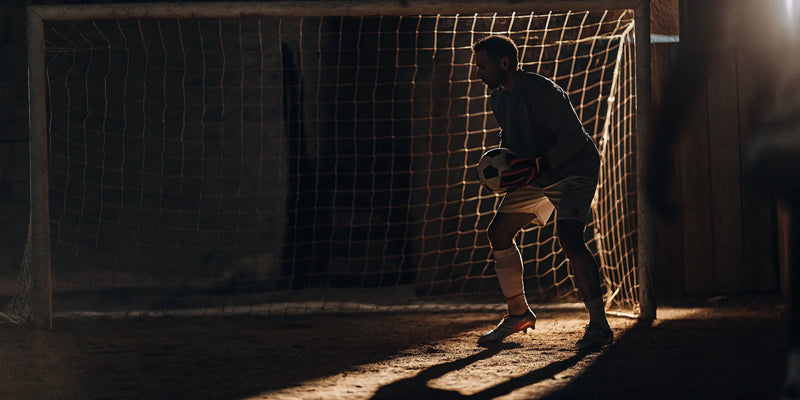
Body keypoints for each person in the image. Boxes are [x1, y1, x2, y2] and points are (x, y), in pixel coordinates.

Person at [471, 35, 612, 349]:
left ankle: (599, 326)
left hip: (573, 169)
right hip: (538, 171)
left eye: (483, 66)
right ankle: (518, 313)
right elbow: (513, 139)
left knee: (570, 238)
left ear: (505, 63)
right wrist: (505, 170)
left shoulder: (542, 91)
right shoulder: (497, 96)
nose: (478, 72)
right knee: (498, 233)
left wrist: (537, 165)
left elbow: (575, 140)